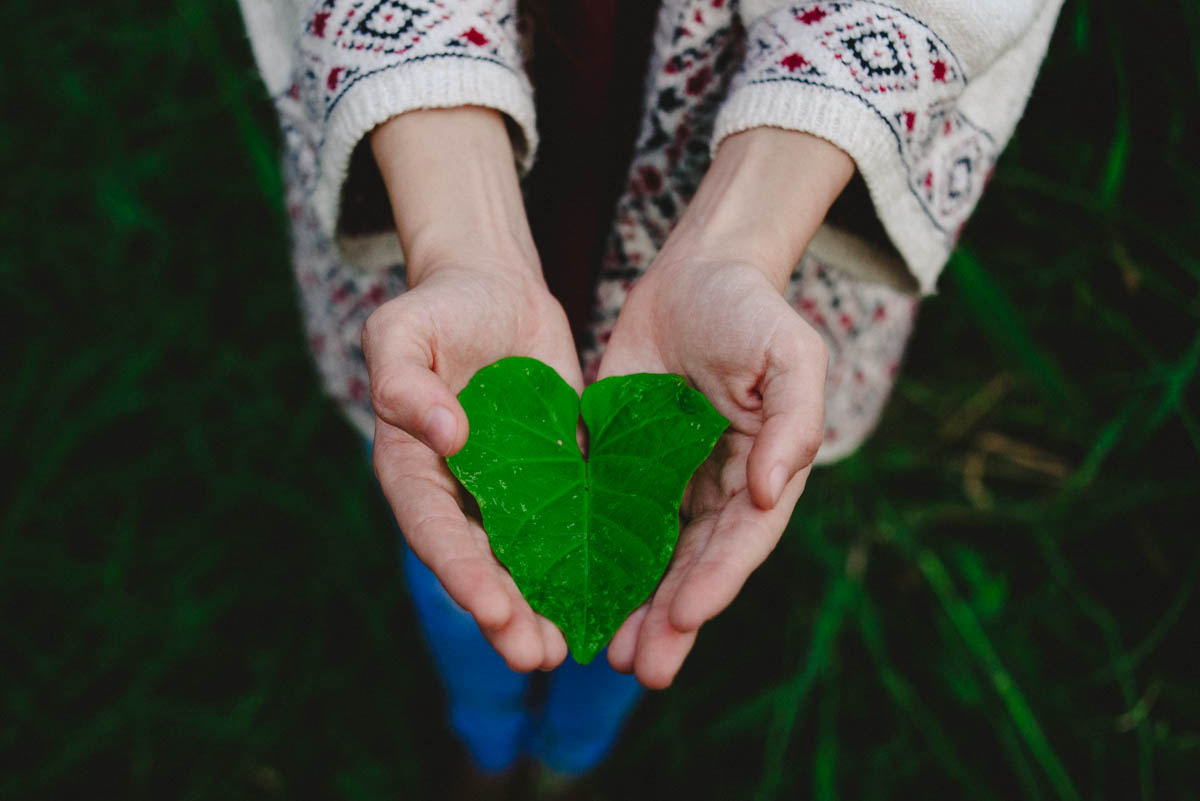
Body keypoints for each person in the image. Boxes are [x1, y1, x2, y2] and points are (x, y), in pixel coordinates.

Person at [237, 0, 1063, 787]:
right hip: (452, 164)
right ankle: (486, 737)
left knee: (662, 573)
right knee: (457, 535)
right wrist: (456, 230)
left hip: (760, 185)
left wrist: (745, 240)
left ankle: (567, 754)